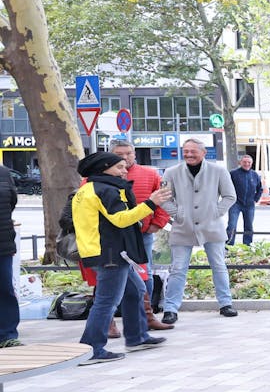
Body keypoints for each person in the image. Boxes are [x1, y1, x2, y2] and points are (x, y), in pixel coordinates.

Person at [72, 151, 172, 364]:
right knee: (107, 301)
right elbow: (120, 220)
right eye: (119, 167)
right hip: (110, 252)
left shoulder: (89, 188)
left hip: (107, 250)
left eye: (125, 166)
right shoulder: (104, 189)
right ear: (104, 168)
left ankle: (137, 337)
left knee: (136, 290)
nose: (125, 171)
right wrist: (150, 204)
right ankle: (91, 347)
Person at [160, 139, 237, 322]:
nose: (189, 155)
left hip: (212, 227)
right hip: (182, 227)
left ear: (203, 153)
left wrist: (215, 213)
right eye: (185, 151)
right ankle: (170, 309)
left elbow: (230, 196)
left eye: (193, 151)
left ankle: (226, 303)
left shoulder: (218, 171)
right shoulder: (171, 172)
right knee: (177, 269)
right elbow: (163, 198)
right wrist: (178, 214)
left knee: (219, 266)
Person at [108, 139, 172, 332]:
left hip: (141, 233)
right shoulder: (99, 177)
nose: (125, 158)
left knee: (145, 273)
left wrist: (157, 223)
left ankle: (147, 315)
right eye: (119, 155)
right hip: (112, 236)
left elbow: (164, 198)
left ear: (135, 153)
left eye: (129, 153)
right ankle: (109, 321)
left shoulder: (150, 174)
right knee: (108, 277)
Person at [226, 155, 262, 246]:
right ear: (240, 163)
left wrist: (255, 200)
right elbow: (226, 187)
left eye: (249, 162)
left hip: (249, 205)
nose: (247, 164)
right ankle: (229, 246)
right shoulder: (233, 173)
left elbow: (260, 189)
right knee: (232, 225)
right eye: (244, 162)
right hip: (235, 204)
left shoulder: (255, 175)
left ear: (251, 163)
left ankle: (247, 246)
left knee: (248, 226)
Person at [0, 165, 18, 348]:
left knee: (5, 289)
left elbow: (11, 202)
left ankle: (7, 335)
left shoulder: (4, 173)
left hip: (3, 242)